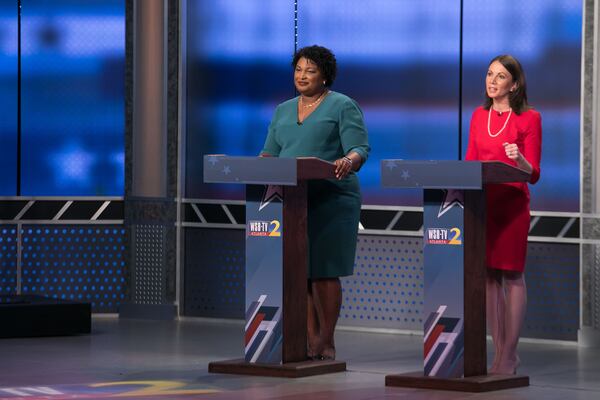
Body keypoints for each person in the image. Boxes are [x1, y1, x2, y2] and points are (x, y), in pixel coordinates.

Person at [260, 45, 370, 360]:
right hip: (294, 200)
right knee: (300, 271)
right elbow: (269, 153)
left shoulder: (342, 105)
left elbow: (359, 148)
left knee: (323, 270)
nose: (302, 76)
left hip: (333, 198)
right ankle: (309, 339)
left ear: (325, 76)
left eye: (310, 70)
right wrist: (257, 166)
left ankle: (326, 339)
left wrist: (349, 160)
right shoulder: (282, 109)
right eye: (298, 69)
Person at [465, 55, 542, 375]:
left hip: (511, 206)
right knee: (489, 277)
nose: (491, 81)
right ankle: (499, 351)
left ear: (515, 83)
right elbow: (469, 164)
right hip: (484, 206)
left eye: (499, 76)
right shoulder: (478, 116)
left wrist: (520, 159)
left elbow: (533, 172)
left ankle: (510, 354)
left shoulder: (530, 118)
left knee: (511, 275)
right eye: (489, 74)